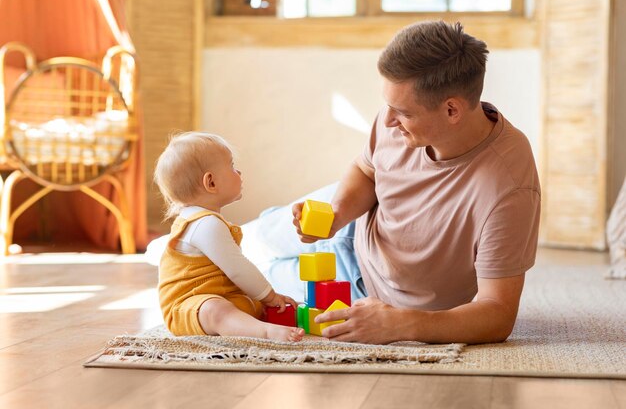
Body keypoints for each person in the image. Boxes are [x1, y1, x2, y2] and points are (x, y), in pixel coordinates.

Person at [285, 20, 541, 344]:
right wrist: (335, 215)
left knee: (252, 286)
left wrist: (402, 325)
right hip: (351, 229)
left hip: (369, 291)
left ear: (451, 110)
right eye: (389, 106)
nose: (389, 120)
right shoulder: (395, 118)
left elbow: (498, 313)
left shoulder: (508, 186)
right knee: (240, 244)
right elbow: (366, 170)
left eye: (402, 112)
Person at [153, 132, 304, 342]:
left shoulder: (205, 221)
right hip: (189, 308)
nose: (239, 172)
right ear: (211, 182)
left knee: (250, 305)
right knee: (217, 310)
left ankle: (254, 323)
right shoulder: (205, 224)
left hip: (222, 295)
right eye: (232, 166)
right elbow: (239, 269)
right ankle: (266, 332)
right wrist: (270, 295)